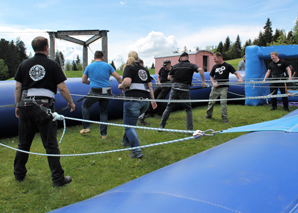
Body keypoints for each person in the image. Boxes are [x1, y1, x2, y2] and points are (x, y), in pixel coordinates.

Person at [14, 36, 75, 187]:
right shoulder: (52, 65)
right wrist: (71, 102)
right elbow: (61, 87)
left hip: (25, 106)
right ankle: (58, 179)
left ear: (33, 48)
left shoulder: (24, 64)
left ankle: (19, 175)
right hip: (44, 108)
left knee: (23, 143)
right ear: (47, 47)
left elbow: (17, 88)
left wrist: (17, 105)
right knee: (51, 145)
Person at [118, 51, 157, 158]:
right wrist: (153, 100)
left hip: (133, 101)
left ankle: (136, 151)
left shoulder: (129, 67)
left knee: (129, 126)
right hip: (145, 102)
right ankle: (126, 141)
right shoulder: (144, 69)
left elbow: (127, 82)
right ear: (137, 58)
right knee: (131, 123)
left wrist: (120, 86)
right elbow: (150, 86)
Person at [159, 52, 206, 130]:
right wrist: (203, 82)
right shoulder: (191, 65)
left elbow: (169, 77)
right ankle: (189, 129)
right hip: (184, 89)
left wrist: (176, 80)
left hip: (174, 88)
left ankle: (161, 125)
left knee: (169, 107)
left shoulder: (175, 66)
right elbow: (200, 70)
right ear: (188, 58)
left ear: (180, 58)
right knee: (188, 109)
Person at [80, 51, 122, 138]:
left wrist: (92, 83)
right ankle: (103, 134)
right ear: (102, 57)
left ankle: (86, 127)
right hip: (106, 91)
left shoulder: (89, 66)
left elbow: (83, 80)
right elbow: (118, 77)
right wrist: (122, 86)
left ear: (94, 57)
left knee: (85, 105)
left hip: (94, 91)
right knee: (103, 112)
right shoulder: (108, 66)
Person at [204, 52, 243, 123]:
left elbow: (236, 73)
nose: (214, 60)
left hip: (224, 87)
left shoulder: (227, 65)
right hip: (215, 87)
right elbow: (211, 76)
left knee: (223, 103)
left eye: (215, 59)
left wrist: (240, 78)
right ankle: (208, 115)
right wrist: (213, 83)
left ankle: (225, 119)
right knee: (211, 102)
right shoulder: (215, 66)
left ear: (219, 57)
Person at [141, 59, 172, 124]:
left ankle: (160, 114)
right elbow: (158, 76)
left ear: (169, 64)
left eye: (165, 65)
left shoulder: (173, 70)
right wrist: (159, 82)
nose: (164, 66)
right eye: (163, 65)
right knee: (152, 96)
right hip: (160, 85)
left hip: (167, 87)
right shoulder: (162, 69)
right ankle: (150, 113)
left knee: (159, 99)